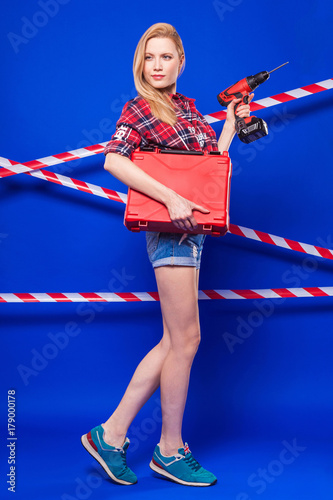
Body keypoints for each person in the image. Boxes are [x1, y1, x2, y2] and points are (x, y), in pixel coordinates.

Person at [81, 22, 253, 487]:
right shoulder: (139, 109)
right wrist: (170, 199)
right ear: (142, 65)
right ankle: (169, 450)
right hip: (170, 230)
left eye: (165, 57)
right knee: (187, 340)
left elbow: (206, 170)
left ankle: (110, 435)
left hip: (192, 231)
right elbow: (113, 159)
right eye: (149, 58)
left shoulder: (189, 110)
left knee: (171, 342)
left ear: (181, 62)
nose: (157, 66)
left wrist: (230, 131)